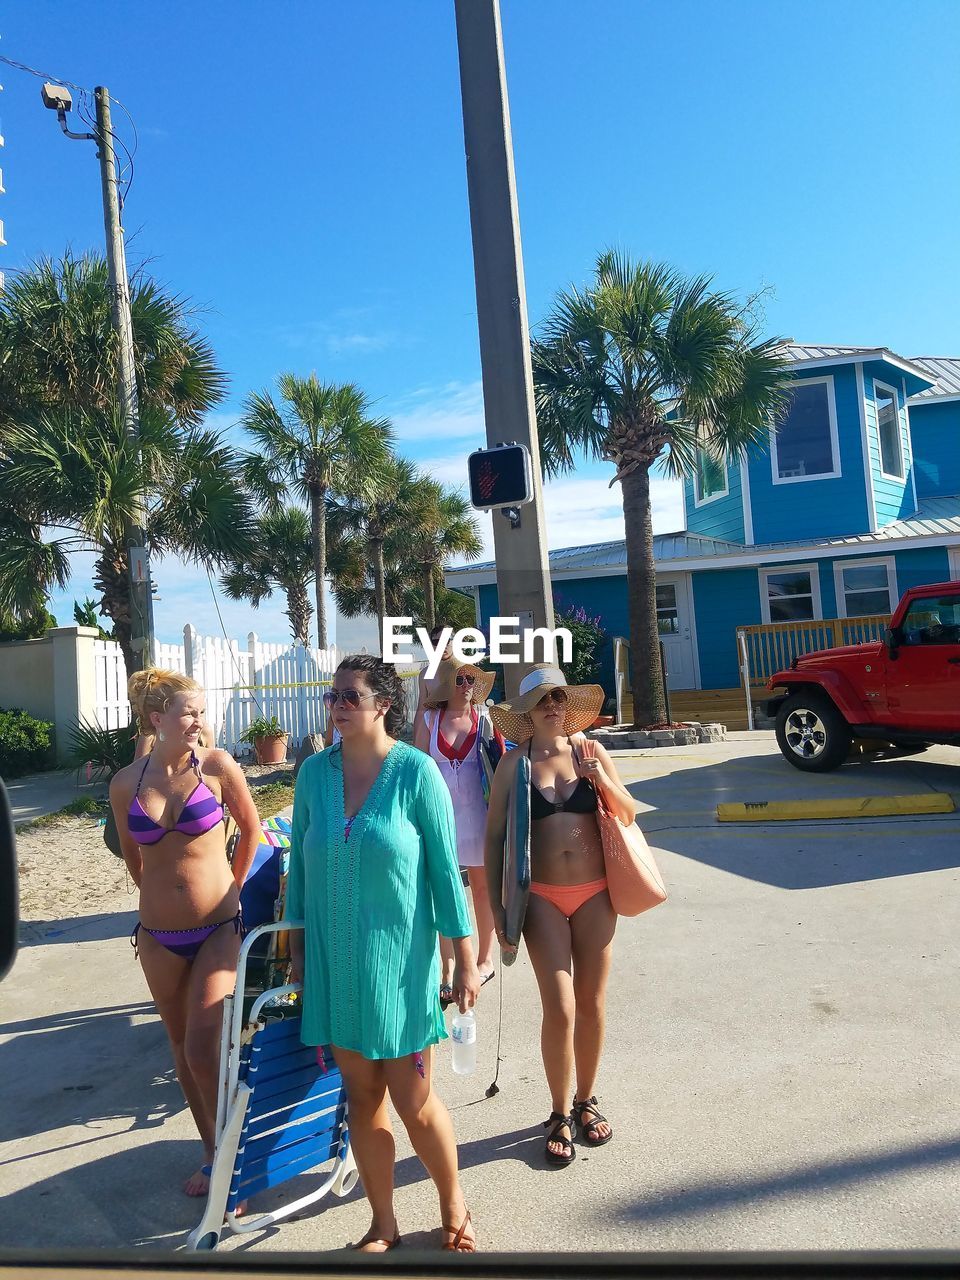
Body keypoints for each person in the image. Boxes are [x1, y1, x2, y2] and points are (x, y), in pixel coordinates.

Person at [286, 655, 481, 1252]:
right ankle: (383, 1223)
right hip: (335, 967)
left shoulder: (417, 773)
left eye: (351, 695)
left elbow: (447, 875)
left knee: (415, 1103)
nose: (339, 704)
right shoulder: (313, 775)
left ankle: (455, 1209)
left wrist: (466, 958)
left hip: (400, 972)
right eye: (333, 695)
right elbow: (298, 871)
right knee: (363, 1098)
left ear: (384, 704)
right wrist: (296, 952)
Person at [109, 669, 262, 1197]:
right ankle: (211, 1152)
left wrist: (233, 888)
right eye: (189, 713)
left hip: (218, 927)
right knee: (178, 1047)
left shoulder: (218, 767)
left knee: (203, 1048)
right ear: (157, 719)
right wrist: (160, 901)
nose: (200, 721)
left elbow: (252, 831)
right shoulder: (126, 783)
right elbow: (135, 855)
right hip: (157, 937)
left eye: (202, 711)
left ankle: (234, 1158)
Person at [486, 663, 637, 1167]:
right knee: (561, 1006)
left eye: (558, 698)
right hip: (543, 898)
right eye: (542, 700)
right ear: (527, 712)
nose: (552, 706)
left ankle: (585, 1100)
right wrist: (499, 909)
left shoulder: (591, 751)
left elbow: (629, 811)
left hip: (595, 893)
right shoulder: (514, 764)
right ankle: (557, 1112)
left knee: (592, 1003)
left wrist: (602, 781)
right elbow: (493, 841)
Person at [414, 657, 500, 1001]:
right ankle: (447, 966)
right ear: (447, 685)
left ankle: (485, 958)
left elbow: (501, 764)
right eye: (461, 680)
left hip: (480, 815)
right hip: (440, 818)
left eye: (471, 680)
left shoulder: (485, 719)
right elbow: (417, 767)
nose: (468, 686)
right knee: (444, 892)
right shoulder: (429, 719)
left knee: (482, 887)